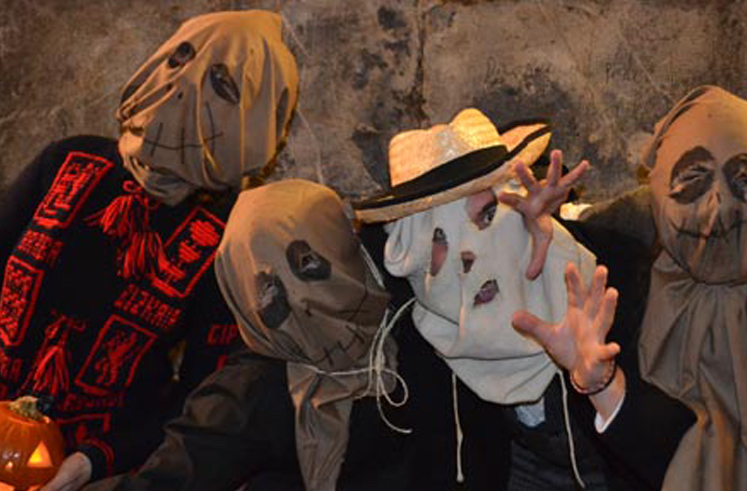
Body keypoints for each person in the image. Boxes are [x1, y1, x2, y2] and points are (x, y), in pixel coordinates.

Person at [0, 9, 299, 491]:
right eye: (179, 61)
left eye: (222, 86)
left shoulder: (229, 237)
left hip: (97, 466)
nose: (182, 91)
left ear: (255, 115)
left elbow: (203, 401)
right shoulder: (67, 161)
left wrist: (94, 461)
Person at [82, 178, 512, 491]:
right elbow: (171, 476)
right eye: (269, 294)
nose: (300, 302)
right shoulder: (256, 391)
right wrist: (88, 462)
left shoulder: (414, 296)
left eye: (309, 266)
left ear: (340, 244)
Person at [508, 86, 747, 490]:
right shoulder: (620, 268)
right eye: (693, 178)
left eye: (745, 180)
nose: (717, 207)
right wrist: (538, 232)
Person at [352, 108, 618, 490]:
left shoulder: (608, 281)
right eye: (440, 237)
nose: (468, 253)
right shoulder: (424, 336)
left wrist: (603, 384)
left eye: (488, 215)